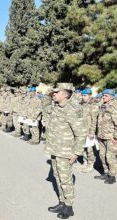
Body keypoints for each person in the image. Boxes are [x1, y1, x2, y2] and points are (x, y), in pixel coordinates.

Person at [43, 83, 87, 219]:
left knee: (65, 179)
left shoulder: (73, 110)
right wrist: (49, 92)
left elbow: (81, 133)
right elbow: (44, 106)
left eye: (56, 92)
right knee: (58, 177)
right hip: (55, 149)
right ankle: (62, 202)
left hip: (66, 152)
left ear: (65, 94)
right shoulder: (56, 107)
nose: (53, 94)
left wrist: (76, 152)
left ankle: (69, 207)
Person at [94, 89, 117, 184]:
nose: (103, 97)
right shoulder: (103, 105)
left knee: (111, 157)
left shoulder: (116, 107)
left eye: (106, 96)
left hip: (111, 137)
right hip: (102, 136)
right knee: (102, 156)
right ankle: (106, 173)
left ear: (112, 97)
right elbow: (100, 120)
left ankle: (112, 176)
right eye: (103, 95)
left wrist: (116, 137)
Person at [80, 88, 99, 173]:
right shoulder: (82, 104)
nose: (83, 97)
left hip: (89, 131)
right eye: (82, 95)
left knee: (90, 149)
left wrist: (92, 132)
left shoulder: (93, 105)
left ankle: (90, 164)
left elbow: (94, 120)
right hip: (82, 130)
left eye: (85, 95)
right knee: (83, 148)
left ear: (90, 95)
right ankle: (85, 162)